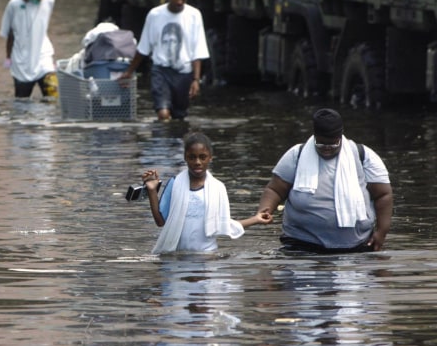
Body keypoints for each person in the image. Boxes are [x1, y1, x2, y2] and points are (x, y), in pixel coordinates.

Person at [256, 108, 393, 253]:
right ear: (315, 136)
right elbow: (275, 189)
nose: (327, 149)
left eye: (333, 144)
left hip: (357, 245)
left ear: (340, 136)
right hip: (301, 245)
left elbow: (383, 195)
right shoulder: (296, 155)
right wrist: (265, 210)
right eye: (321, 144)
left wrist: (382, 232)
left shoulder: (364, 155)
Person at [142, 132, 272, 254]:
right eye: (192, 157)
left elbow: (224, 223)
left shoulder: (218, 188)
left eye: (202, 157)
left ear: (210, 158)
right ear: (185, 158)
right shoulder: (175, 184)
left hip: (207, 256)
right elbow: (160, 221)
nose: (197, 162)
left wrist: (256, 219)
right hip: (178, 256)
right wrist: (152, 191)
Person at [119, 0, 209, 121]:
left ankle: (175, 141)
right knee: (163, 114)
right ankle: (162, 142)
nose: (180, 2)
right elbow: (143, 47)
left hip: (184, 73)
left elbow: (197, 50)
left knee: (179, 116)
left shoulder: (194, 15)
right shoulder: (155, 15)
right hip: (161, 71)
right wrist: (129, 72)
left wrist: (196, 80)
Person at [0, 0, 58, 100]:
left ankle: (46, 121)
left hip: (44, 60)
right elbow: (9, 33)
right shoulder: (15, 4)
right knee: (22, 102)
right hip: (22, 63)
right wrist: (8, 57)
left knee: (52, 97)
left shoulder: (48, 1)